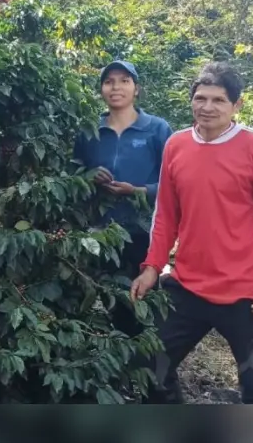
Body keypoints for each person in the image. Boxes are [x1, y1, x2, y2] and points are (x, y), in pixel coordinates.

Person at [130, 62, 253, 404]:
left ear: (236, 105)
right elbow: (166, 214)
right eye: (200, 98)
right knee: (151, 369)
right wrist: (152, 266)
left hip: (246, 294)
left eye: (219, 100)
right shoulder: (177, 145)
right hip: (188, 286)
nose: (207, 107)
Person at [73, 59, 172, 339]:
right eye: (109, 82)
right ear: (102, 89)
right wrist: (87, 177)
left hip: (142, 233)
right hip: (99, 232)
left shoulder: (157, 129)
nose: (116, 87)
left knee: (143, 304)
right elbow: (72, 171)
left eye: (124, 81)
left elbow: (175, 182)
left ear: (136, 89)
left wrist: (138, 191)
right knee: (111, 302)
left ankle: (150, 366)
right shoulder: (91, 129)